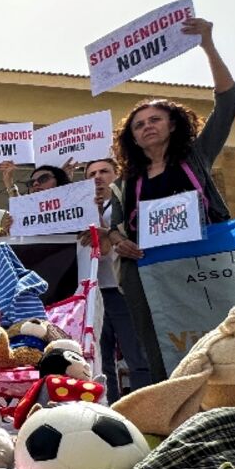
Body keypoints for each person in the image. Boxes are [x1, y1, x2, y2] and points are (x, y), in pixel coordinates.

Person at [107, 17, 235, 384]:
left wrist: (207, 44)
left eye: (155, 119)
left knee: (220, 337)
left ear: (173, 124)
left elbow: (228, 103)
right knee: (161, 345)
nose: (147, 126)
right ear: (131, 137)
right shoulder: (126, 182)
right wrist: (121, 243)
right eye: (138, 124)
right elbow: (114, 230)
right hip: (148, 273)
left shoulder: (196, 158)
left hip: (204, 262)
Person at [83, 157, 149, 403]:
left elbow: (107, 246)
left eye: (104, 171)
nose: (97, 177)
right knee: (102, 362)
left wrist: (100, 216)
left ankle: (146, 412)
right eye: (91, 174)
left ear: (116, 175)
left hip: (123, 292)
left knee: (137, 357)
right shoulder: (80, 213)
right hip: (95, 296)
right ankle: (109, 409)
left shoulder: (125, 209)